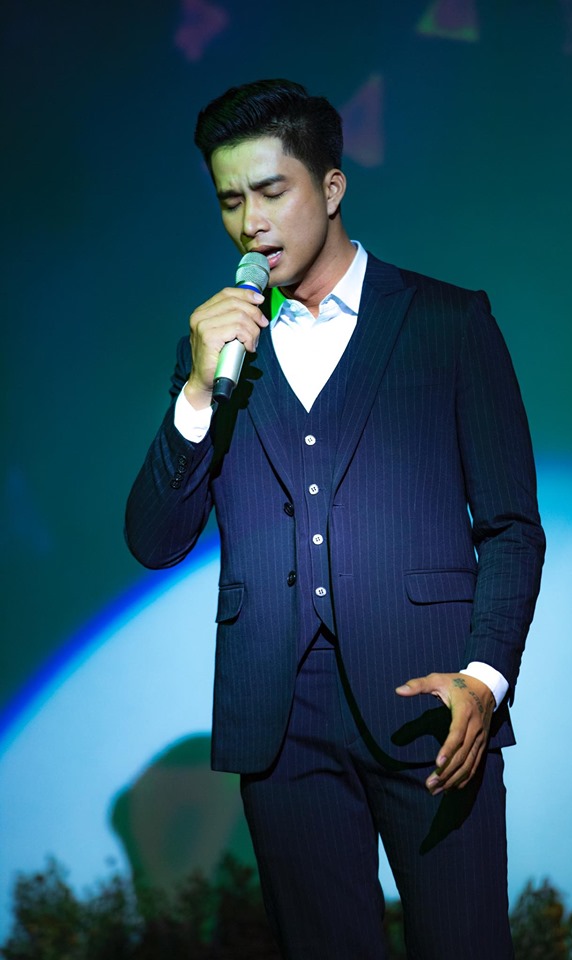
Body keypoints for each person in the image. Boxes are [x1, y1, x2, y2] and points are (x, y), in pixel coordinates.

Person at [125, 78, 545, 959]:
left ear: (331, 186)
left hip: (433, 706)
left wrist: (484, 680)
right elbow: (155, 540)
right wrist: (197, 389)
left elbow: (511, 526)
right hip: (280, 721)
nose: (251, 224)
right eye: (230, 201)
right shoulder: (217, 348)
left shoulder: (447, 322)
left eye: (270, 192)